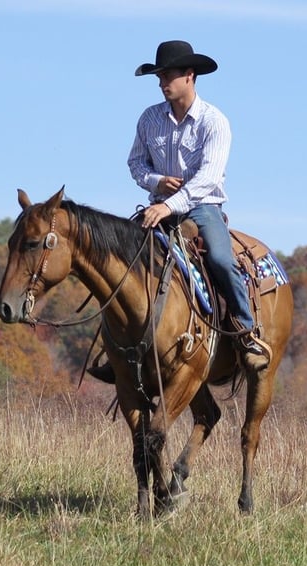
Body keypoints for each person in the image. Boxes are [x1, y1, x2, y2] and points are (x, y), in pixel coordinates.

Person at [87, 40, 271, 383]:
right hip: (160, 206)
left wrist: (169, 204)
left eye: (168, 75)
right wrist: (156, 181)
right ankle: (119, 346)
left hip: (203, 208)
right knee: (122, 262)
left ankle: (247, 335)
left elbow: (208, 178)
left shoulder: (215, 122)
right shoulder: (149, 119)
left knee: (219, 258)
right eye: (159, 76)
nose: (161, 82)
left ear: (190, 76)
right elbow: (135, 164)